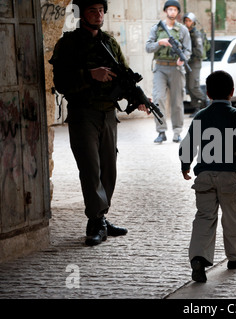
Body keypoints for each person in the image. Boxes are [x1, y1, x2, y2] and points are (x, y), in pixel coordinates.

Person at [49, 0, 144, 246]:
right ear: (82, 14)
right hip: (84, 113)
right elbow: (61, 81)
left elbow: (123, 73)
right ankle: (95, 220)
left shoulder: (109, 42)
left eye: (101, 10)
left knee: (108, 167)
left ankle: (101, 216)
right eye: (93, 10)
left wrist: (139, 97)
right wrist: (90, 74)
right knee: (90, 168)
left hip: (108, 113)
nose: (98, 15)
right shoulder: (68, 44)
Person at [179, 71, 236, 282]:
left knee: (204, 217)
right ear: (232, 92)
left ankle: (199, 260)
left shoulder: (201, 116)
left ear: (208, 93)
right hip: (228, 175)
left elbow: (188, 143)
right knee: (231, 216)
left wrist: (185, 165)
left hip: (204, 175)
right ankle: (235, 256)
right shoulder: (235, 115)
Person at [146, 0, 192, 143]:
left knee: (177, 102)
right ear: (166, 11)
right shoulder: (157, 29)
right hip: (160, 67)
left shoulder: (183, 30)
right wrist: (160, 42)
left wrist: (182, 59)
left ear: (178, 12)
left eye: (175, 10)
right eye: (170, 9)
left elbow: (188, 50)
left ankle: (177, 132)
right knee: (158, 98)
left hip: (176, 68)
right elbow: (148, 47)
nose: (172, 12)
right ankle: (161, 131)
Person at [183, 12, 207, 118]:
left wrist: (189, 52)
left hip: (195, 62)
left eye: (189, 21)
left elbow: (199, 52)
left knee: (194, 86)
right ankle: (197, 108)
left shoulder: (196, 34)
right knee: (189, 86)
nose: (187, 23)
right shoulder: (185, 33)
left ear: (193, 22)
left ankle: (206, 102)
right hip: (188, 62)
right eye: (186, 21)